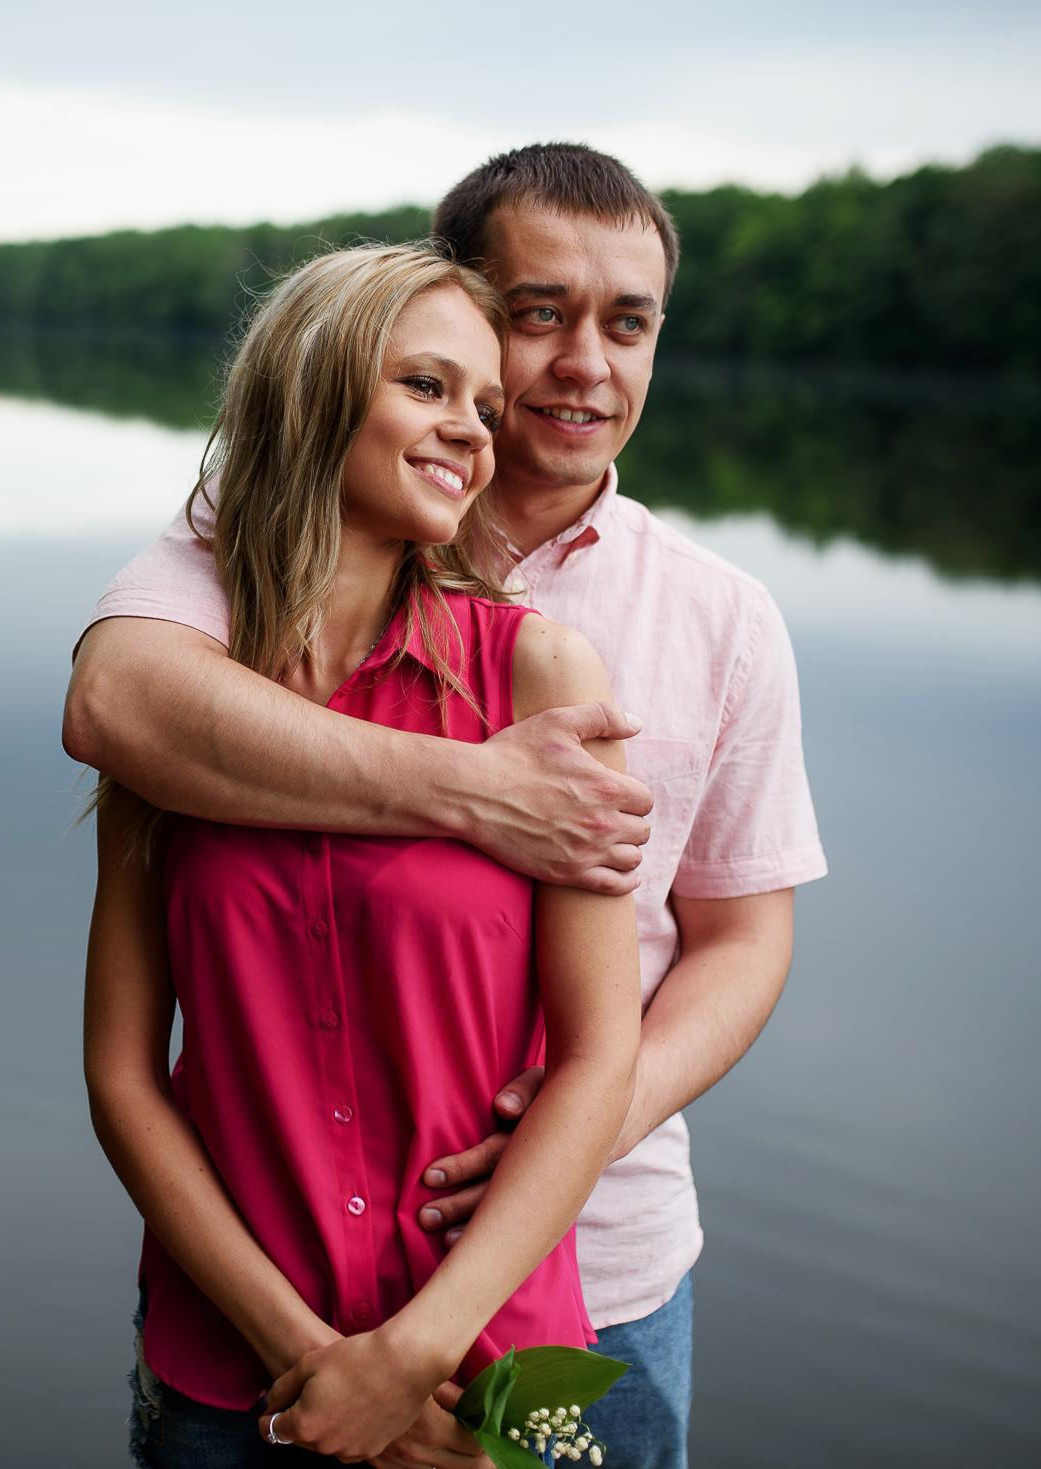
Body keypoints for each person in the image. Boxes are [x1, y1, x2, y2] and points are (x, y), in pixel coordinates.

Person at [67, 144, 828, 1469]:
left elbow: (746, 937)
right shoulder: (222, 572)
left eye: (630, 322)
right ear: (452, 303)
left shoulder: (717, 619)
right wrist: (481, 792)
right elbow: (118, 706)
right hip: (256, 1297)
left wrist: (595, 1110)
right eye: (542, 312)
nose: (588, 363)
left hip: (592, 1275)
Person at [83, 241, 642, 1468]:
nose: (474, 434)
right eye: (429, 387)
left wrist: (407, 1356)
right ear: (316, 387)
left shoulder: (535, 675)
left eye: (485, 407)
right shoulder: (186, 712)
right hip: (232, 1376)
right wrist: (303, 1352)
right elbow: (126, 1073)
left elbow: (600, 1055)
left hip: (479, 1380)